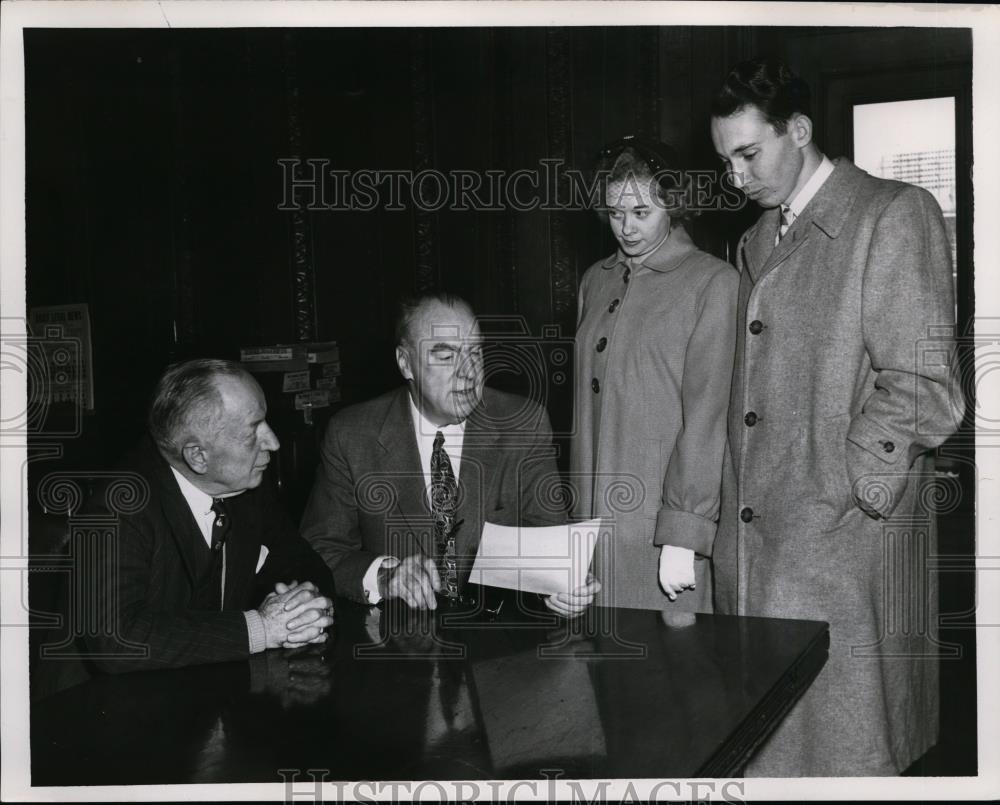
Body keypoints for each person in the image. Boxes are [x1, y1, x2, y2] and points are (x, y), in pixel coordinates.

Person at [709, 58, 963, 775]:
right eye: (724, 160)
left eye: (749, 154)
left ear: (800, 129)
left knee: (844, 754)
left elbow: (926, 386)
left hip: (841, 551)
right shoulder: (758, 238)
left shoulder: (892, 212)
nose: (735, 176)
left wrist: (844, 487)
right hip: (760, 553)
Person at [300, 292, 599, 616]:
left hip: (501, 643)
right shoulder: (353, 434)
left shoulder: (523, 423)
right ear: (405, 363)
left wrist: (563, 588)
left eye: (475, 352)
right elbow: (319, 552)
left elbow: (549, 541)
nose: (469, 373)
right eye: (445, 356)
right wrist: (385, 577)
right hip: (398, 643)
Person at [571, 136, 738, 611]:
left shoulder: (712, 282)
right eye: (615, 213)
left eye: (642, 213)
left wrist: (684, 533)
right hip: (594, 525)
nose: (625, 228)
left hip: (659, 530)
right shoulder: (595, 279)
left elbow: (708, 416)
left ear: (674, 205)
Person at [84, 359, 335, 672]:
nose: (273, 442)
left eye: (265, 422)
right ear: (198, 456)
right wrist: (260, 629)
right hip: (102, 706)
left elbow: (304, 564)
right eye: (252, 432)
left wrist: (303, 604)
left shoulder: (246, 486)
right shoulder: (117, 507)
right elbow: (115, 640)